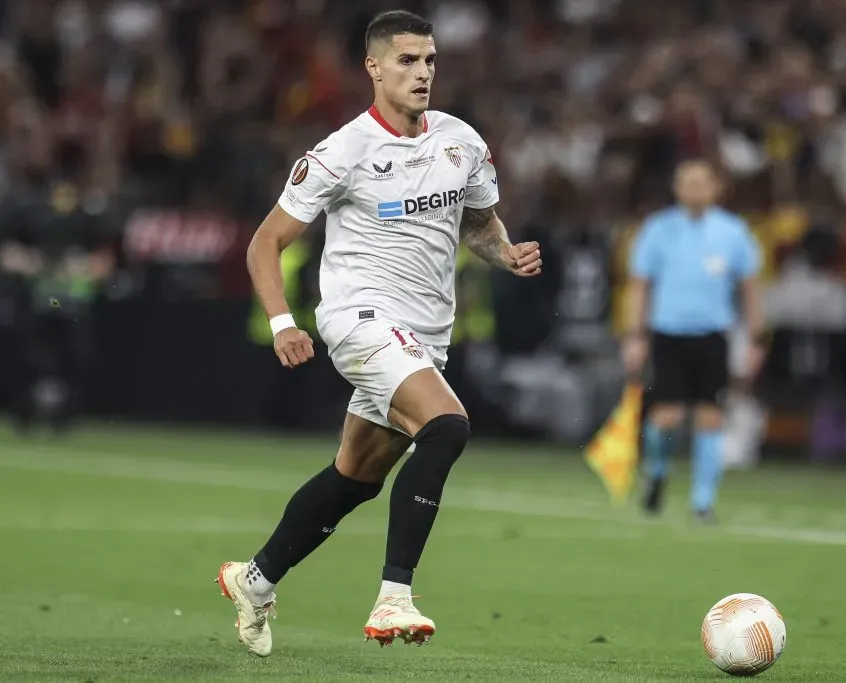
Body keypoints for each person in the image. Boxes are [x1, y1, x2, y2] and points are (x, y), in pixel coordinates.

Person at [216, 10, 542, 657]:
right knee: (447, 425)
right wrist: (283, 321)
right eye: (407, 61)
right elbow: (265, 243)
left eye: (429, 61)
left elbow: (477, 221)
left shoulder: (460, 143)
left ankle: (253, 579)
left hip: (424, 336)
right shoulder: (343, 152)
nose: (422, 73)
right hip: (359, 320)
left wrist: (503, 251)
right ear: (373, 67)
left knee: (355, 477)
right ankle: (396, 594)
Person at [622, 160, 764, 522]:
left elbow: (751, 288)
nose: (695, 188)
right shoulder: (658, 229)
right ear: (676, 187)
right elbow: (639, 286)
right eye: (688, 182)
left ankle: (703, 502)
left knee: (710, 417)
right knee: (665, 418)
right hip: (668, 334)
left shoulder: (733, 232)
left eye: (702, 182)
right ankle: (657, 472)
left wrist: (755, 339)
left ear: (717, 187)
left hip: (713, 336)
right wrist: (634, 335)